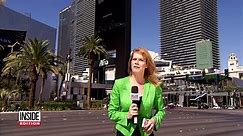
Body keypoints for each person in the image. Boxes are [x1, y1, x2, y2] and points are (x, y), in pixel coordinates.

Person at [108, 47, 166, 136]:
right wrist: (127, 115)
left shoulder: (154, 87)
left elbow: (161, 111)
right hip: (124, 132)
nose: (136, 62)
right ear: (130, 62)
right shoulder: (119, 84)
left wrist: (154, 120)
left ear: (146, 65)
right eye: (134, 59)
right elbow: (112, 113)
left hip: (146, 133)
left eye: (141, 60)